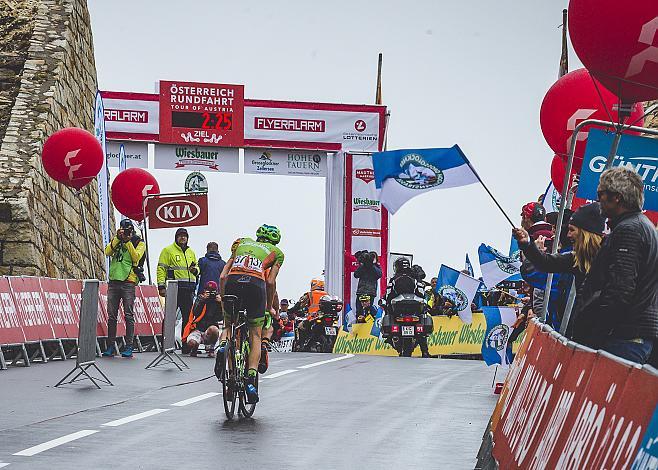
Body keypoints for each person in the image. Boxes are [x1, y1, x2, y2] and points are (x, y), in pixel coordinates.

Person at [512, 202, 606, 348]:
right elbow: (546, 263)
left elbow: (536, 274)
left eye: (572, 230)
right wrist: (527, 244)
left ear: (585, 233)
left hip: (599, 335)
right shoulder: (575, 258)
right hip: (578, 332)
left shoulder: (610, 257)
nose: (569, 235)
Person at [590, 167, 657, 363]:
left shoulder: (629, 229)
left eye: (600, 194)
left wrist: (597, 333)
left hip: (625, 336)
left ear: (616, 197)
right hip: (634, 334)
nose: (598, 199)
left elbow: (620, 289)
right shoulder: (643, 226)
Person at [216, 224, 284, 403]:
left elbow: (223, 276)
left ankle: (223, 348)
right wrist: (268, 307)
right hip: (255, 286)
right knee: (255, 334)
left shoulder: (241, 243)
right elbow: (270, 283)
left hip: (233, 283)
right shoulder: (277, 252)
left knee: (230, 326)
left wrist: (224, 299)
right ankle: (251, 380)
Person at [102, 219, 146, 358]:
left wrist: (127, 242)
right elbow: (107, 252)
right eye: (123, 229)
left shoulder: (139, 242)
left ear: (132, 231)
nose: (125, 232)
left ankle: (129, 346)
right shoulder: (118, 240)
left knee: (128, 315)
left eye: (127, 230)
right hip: (114, 280)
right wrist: (117, 238)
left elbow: (136, 258)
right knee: (112, 316)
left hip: (129, 281)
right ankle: (110, 346)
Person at [383, 257, 437, 358]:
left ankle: (391, 337)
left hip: (398, 311)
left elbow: (388, 294)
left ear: (397, 267)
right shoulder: (415, 278)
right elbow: (421, 293)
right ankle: (425, 352)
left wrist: (385, 302)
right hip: (415, 310)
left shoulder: (394, 279)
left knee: (420, 327)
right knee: (421, 329)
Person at [157, 228, 198, 353]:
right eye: (180, 236)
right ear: (176, 237)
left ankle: (185, 345)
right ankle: (164, 343)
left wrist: (196, 271)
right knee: (170, 317)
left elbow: (196, 267)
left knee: (187, 318)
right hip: (174, 288)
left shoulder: (191, 251)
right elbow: (161, 269)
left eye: (184, 236)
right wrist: (161, 286)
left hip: (188, 289)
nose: (182, 238)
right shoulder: (168, 250)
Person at [182, 281, 222, 357]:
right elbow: (195, 313)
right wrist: (202, 301)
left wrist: (221, 304)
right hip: (198, 329)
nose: (210, 293)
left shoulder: (218, 301)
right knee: (191, 343)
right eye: (208, 291)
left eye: (212, 291)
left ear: (216, 291)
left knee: (214, 329)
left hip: (210, 330)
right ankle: (194, 349)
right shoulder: (200, 298)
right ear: (204, 290)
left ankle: (211, 348)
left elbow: (220, 318)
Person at [353, 250, 382, 317]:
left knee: (368, 310)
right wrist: (363, 265)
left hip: (370, 292)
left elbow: (379, 274)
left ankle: (369, 324)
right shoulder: (363, 266)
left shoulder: (376, 267)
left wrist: (372, 265)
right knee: (359, 311)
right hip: (362, 291)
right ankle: (359, 324)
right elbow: (356, 274)